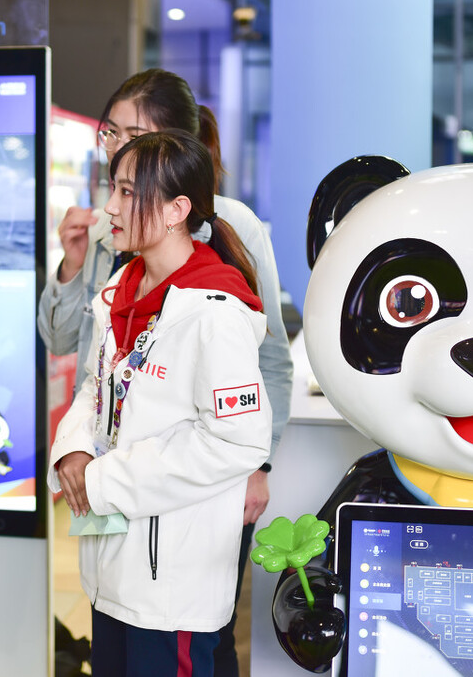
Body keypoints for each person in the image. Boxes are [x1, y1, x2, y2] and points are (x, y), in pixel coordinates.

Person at [37, 68, 292, 674]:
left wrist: (105, 480)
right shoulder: (120, 279)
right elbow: (93, 376)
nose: (110, 207)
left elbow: (239, 427)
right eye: (112, 137)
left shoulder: (215, 300)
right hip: (113, 551)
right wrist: (74, 452)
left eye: (128, 190)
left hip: (170, 558)